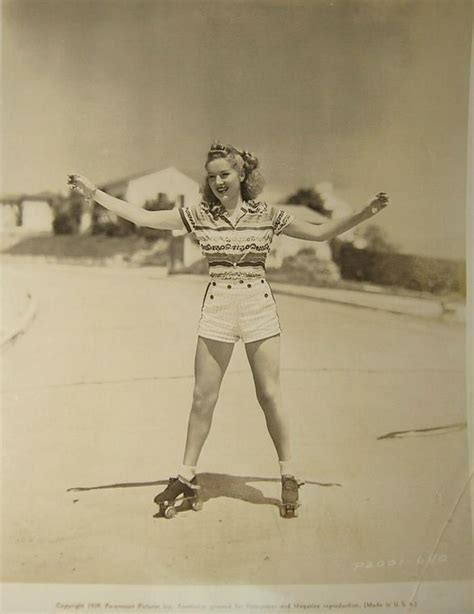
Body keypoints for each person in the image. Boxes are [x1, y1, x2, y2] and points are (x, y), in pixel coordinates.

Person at [68, 141, 388, 518]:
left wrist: (365, 213)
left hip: (258, 306)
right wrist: (94, 194)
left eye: (225, 174)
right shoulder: (200, 215)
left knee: (269, 393)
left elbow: (319, 233)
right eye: (212, 176)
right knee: (203, 398)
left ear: (242, 175)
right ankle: (186, 476)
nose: (219, 181)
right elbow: (144, 217)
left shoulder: (268, 215)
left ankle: (288, 474)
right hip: (218, 306)